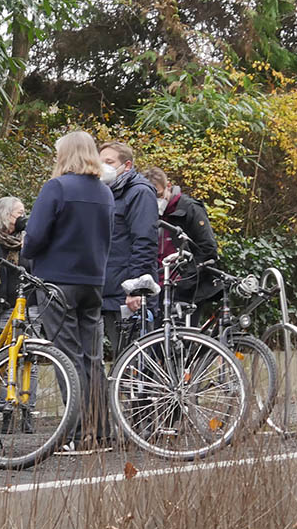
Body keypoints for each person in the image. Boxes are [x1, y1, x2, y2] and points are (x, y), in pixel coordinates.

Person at [23, 131, 114, 447]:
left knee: (66, 355)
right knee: (92, 356)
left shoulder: (57, 188)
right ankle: (101, 429)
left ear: (66, 155)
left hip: (57, 281)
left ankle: (75, 431)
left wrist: (28, 255)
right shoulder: (105, 192)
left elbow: (33, 237)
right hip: (93, 281)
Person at [99, 140, 158, 355]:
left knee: (132, 360)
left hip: (126, 292)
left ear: (127, 165)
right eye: (100, 162)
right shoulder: (106, 193)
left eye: (109, 161)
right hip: (106, 289)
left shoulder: (139, 192)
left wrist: (136, 289)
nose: (103, 166)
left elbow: (144, 242)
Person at [143, 167, 221, 317]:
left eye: (158, 194)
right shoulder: (146, 210)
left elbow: (207, 249)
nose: (155, 201)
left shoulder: (190, 208)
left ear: (168, 186)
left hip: (186, 288)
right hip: (157, 286)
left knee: (182, 335)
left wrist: (184, 281)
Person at [0, 196, 29, 305]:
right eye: (20, 213)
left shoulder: (27, 242)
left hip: (26, 308)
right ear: (6, 214)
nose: (23, 217)